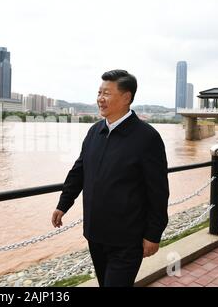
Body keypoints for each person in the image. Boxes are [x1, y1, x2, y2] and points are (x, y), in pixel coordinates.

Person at [51, 69, 169, 287]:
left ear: (126, 97)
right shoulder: (94, 131)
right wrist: (63, 204)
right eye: (99, 92)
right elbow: (79, 171)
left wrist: (153, 235)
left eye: (106, 93)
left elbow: (158, 191)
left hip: (127, 240)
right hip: (95, 234)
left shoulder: (147, 137)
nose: (100, 99)